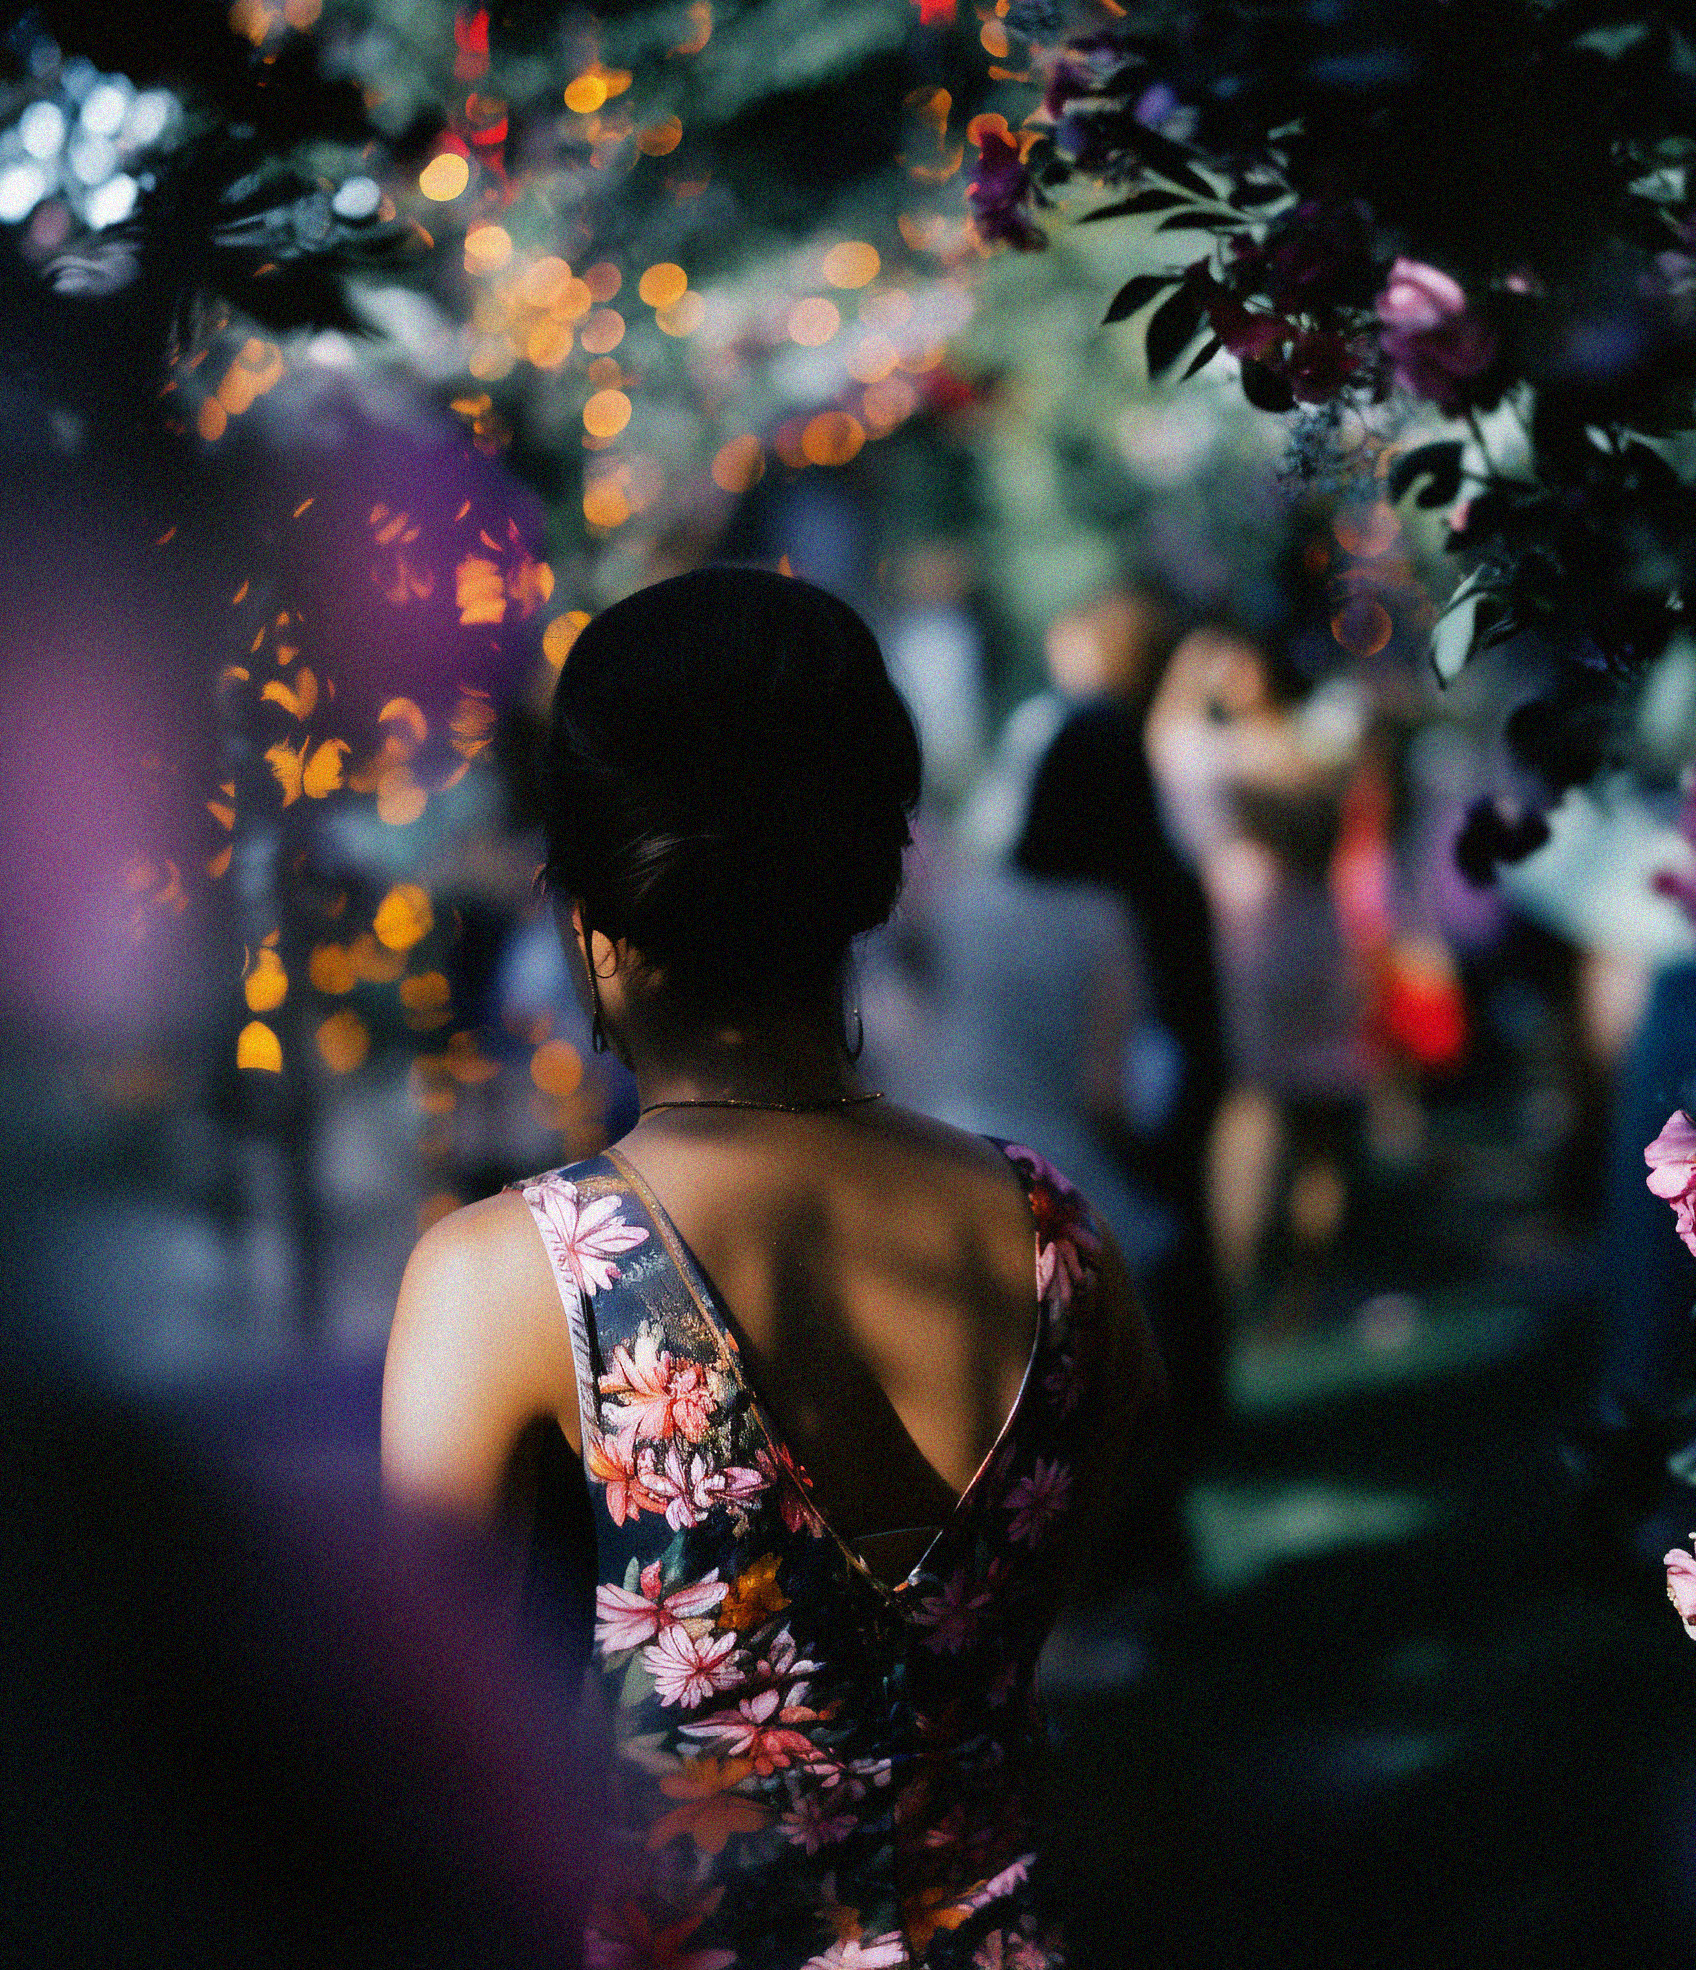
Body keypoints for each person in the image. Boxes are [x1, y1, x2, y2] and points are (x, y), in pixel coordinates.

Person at [382, 567, 1160, 1970]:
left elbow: (420, 1766)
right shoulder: (1059, 1241)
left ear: (585, 909)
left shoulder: (507, 1283)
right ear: (866, 867)